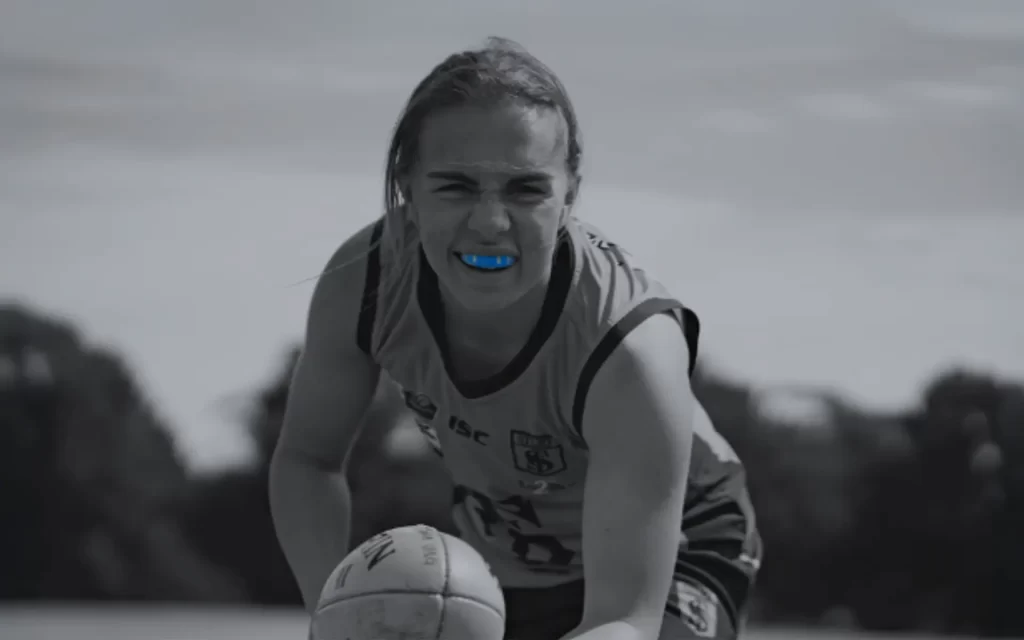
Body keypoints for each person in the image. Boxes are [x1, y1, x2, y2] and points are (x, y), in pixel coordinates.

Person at [269, 37, 762, 640]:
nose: (490, 223)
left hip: (678, 549)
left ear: (570, 192)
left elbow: (622, 619)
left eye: (525, 189)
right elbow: (308, 462)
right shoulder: (366, 281)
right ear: (408, 187)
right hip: (507, 556)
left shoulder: (630, 348)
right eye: (455, 186)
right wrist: (336, 618)